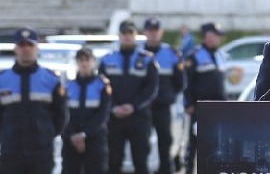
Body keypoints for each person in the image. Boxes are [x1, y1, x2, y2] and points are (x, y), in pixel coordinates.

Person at [0, 27, 68, 174]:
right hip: (11, 151)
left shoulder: (51, 80)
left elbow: (61, 114)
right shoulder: (2, 80)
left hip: (41, 152)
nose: (26, 49)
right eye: (22, 45)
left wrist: (47, 135)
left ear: (37, 48)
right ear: (16, 49)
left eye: (30, 45)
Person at [98, 19, 159, 174]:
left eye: (130, 33)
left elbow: (151, 88)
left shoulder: (147, 60)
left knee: (140, 161)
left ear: (135, 35)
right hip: (114, 118)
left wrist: (134, 105)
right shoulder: (107, 60)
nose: (127, 37)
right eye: (124, 34)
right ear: (119, 36)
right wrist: (113, 107)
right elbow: (102, 88)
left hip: (139, 117)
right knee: (113, 161)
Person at [183, 22, 228, 174]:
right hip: (200, 107)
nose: (218, 39)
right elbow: (186, 82)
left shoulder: (220, 55)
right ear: (207, 36)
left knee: (217, 142)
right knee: (194, 142)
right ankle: (189, 170)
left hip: (219, 107)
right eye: (216, 35)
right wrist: (188, 103)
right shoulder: (194, 56)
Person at [143, 18, 184, 174]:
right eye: (150, 31)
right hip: (143, 107)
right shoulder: (139, 55)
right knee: (142, 142)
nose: (153, 34)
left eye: (156, 31)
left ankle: (165, 169)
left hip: (163, 106)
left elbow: (180, 82)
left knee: (165, 140)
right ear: (145, 32)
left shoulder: (171, 54)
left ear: (161, 32)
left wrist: (168, 96)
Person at [62, 47, 112, 174]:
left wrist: (84, 135)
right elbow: (63, 113)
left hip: (94, 138)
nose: (84, 63)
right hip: (71, 138)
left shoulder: (102, 85)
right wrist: (72, 135)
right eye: (81, 60)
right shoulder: (68, 86)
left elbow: (103, 115)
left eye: (87, 60)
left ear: (93, 62)